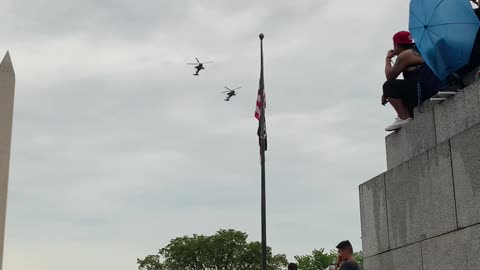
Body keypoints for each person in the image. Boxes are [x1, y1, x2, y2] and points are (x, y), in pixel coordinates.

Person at [382, 30, 440, 131]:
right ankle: (406, 116)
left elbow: (390, 76)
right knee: (394, 90)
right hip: (433, 86)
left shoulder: (405, 55)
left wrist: (388, 58)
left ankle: (404, 118)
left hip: (426, 89)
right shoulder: (417, 51)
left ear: (396, 46)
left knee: (388, 86)